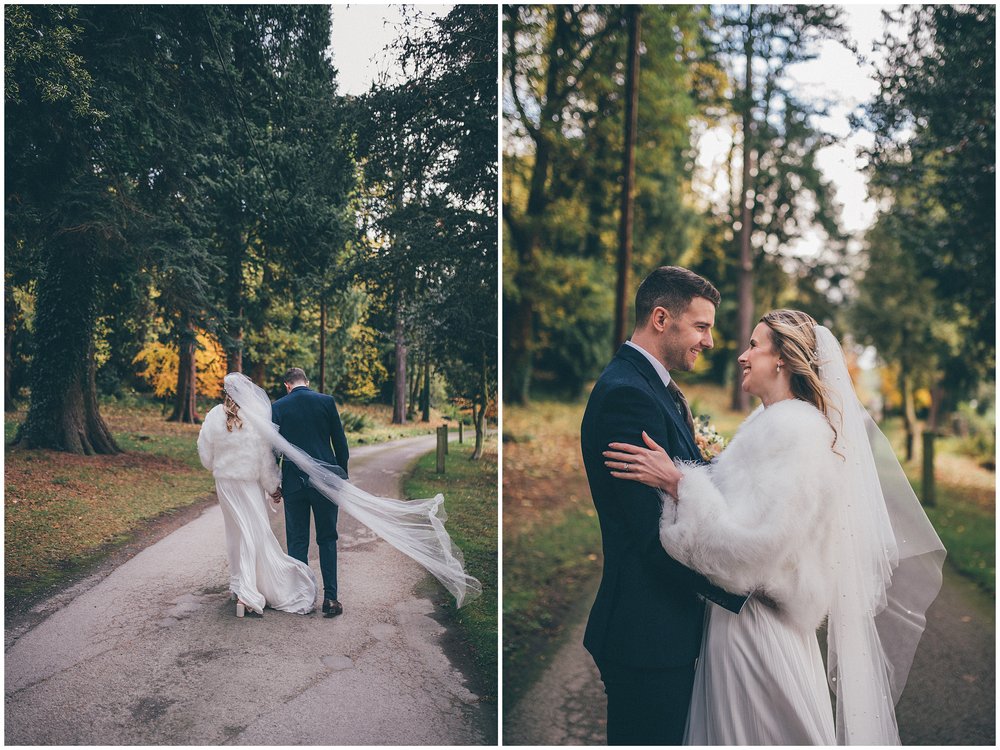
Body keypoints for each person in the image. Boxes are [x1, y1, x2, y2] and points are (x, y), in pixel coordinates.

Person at [604, 310, 945, 744]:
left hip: (758, 631)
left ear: (782, 359)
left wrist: (678, 481)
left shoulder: (797, 434)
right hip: (740, 621)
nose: (742, 356)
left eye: (754, 346)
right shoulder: (769, 424)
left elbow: (752, 551)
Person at [580, 266, 750, 745]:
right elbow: (652, 537)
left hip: (664, 630)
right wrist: (742, 594)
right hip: (646, 635)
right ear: (660, 318)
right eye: (701, 326)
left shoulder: (653, 389)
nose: (710, 341)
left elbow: (685, 491)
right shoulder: (626, 398)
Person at [197, 390, 317, 617]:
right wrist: (273, 488)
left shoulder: (215, 415)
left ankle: (237, 585)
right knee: (253, 532)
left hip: (225, 482)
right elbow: (265, 460)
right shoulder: (256, 417)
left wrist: (219, 466)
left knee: (234, 532)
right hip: (249, 484)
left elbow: (205, 453)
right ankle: (247, 593)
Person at [271, 368, 349, 618]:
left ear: (287, 385)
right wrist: (341, 475)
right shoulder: (326, 401)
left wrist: (275, 481)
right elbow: (340, 444)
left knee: (297, 541)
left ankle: (302, 599)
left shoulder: (278, 406)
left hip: (294, 484)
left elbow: (273, 450)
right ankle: (331, 599)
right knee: (327, 539)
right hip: (325, 481)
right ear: (307, 382)